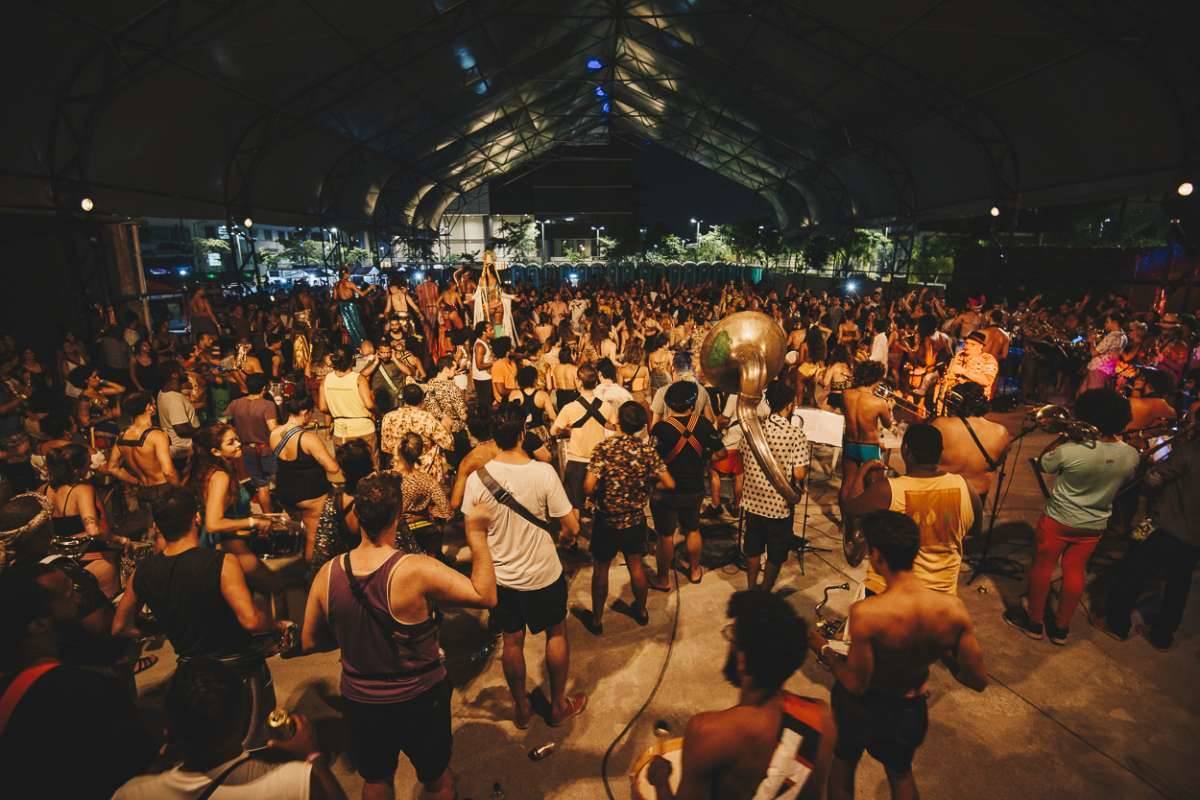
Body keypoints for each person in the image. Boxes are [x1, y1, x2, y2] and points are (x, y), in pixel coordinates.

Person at [302, 471, 497, 800]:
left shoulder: (329, 573)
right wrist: (477, 535)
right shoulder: (415, 569)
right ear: (398, 516)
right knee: (437, 779)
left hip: (361, 700)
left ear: (357, 515)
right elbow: (485, 595)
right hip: (419, 697)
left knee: (376, 780)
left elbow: (309, 641)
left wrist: (353, 635)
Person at [808, 510, 988, 800]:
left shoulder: (868, 613)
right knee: (900, 773)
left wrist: (825, 650)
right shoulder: (952, 609)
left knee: (843, 764)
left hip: (862, 708)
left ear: (877, 556)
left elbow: (856, 683)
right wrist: (937, 648)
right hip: (908, 708)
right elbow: (978, 679)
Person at [113, 486, 285, 747]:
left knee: (207, 746)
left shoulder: (144, 571)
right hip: (237, 670)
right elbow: (250, 620)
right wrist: (276, 624)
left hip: (190, 671)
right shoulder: (221, 563)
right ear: (196, 518)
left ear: (158, 525)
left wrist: (161, 625)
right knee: (252, 742)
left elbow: (120, 627)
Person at [461, 404, 585, 728]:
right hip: (544, 574)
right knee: (556, 633)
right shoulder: (543, 473)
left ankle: (521, 708)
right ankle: (557, 706)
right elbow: (570, 527)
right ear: (521, 435)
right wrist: (572, 522)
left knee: (511, 641)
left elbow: (472, 529)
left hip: (502, 579)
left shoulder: (478, 479)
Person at [647, 590, 834, 800]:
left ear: (743, 659)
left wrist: (661, 782)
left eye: (732, 635)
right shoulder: (821, 717)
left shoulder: (708, 732)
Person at [0, 566, 154, 799]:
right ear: (38, 625)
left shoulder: (12, 688)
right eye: (68, 594)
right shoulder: (86, 690)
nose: (79, 599)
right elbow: (137, 766)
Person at [1004, 389, 1138, 644]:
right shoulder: (1131, 455)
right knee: (1075, 570)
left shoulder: (1070, 450)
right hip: (1095, 524)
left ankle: (1034, 623)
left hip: (1059, 519)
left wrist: (1064, 438)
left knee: (1043, 566)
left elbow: (1044, 464)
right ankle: (1062, 628)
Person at [112, 657, 346, 799]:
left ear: (168, 729)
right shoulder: (295, 783)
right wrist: (313, 756)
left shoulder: (133, 794)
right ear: (245, 722)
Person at [844, 424, 980, 596]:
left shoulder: (888, 490)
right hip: (942, 593)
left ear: (906, 450)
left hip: (891, 592)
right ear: (940, 452)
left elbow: (852, 507)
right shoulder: (964, 486)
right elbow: (975, 530)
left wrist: (863, 470)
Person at [1099, 425, 1199, 651]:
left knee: (1132, 568)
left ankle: (1116, 624)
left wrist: (1149, 466)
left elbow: (1154, 480)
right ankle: (1163, 636)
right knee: (1178, 585)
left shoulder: (1188, 450)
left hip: (1159, 524)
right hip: (1193, 537)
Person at [583, 401, 674, 633]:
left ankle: (596, 619)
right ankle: (642, 611)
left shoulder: (604, 448)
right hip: (634, 520)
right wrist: (648, 488)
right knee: (636, 565)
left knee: (601, 568)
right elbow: (669, 483)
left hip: (607, 520)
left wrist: (599, 493)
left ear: (619, 421)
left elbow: (588, 485)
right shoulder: (646, 451)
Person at [650, 381, 723, 587]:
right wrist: (703, 457)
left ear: (669, 405)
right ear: (692, 405)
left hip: (667, 490)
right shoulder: (704, 424)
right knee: (692, 529)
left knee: (665, 535)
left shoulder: (660, 429)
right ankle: (694, 570)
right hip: (695, 487)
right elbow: (721, 453)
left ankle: (663, 578)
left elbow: (651, 460)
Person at [740, 381, 810, 592]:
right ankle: (764, 592)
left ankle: (751, 588)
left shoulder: (754, 429)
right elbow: (798, 473)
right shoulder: (795, 434)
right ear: (790, 405)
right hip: (778, 505)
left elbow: (743, 454)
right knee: (776, 552)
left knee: (753, 548)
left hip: (753, 501)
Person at [189, 423, 277, 591]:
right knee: (273, 587)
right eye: (231, 442)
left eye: (237, 439)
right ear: (215, 451)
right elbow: (213, 523)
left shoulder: (210, 470)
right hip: (229, 544)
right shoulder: (220, 476)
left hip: (226, 542)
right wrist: (252, 522)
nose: (238, 444)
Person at [271, 393, 343, 563]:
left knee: (302, 529)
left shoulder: (274, 433)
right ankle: (312, 572)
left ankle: (299, 559)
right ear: (305, 412)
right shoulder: (308, 439)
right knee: (313, 534)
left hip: (285, 491)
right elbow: (332, 468)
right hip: (309, 494)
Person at [42, 443, 121, 597]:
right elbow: (93, 530)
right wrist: (121, 540)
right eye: (88, 463)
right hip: (93, 560)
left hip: (60, 563)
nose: (91, 466)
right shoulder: (83, 489)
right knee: (107, 610)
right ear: (77, 469)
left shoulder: (45, 489)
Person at [550, 363, 615, 520]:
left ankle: (575, 536)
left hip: (576, 459)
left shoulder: (569, 408)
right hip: (598, 460)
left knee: (575, 503)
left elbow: (553, 431)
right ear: (596, 382)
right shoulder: (606, 407)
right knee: (599, 501)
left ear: (578, 382)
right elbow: (613, 427)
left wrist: (570, 429)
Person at [929, 381, 1011, 498]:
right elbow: (999, 460)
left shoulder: (940, 425)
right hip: (977, 497)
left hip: (943, 494)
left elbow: (923, 460)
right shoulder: (1001, 432)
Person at [308, 438, 373, 584]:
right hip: (377, 572)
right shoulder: (381, 497)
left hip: (347, 573)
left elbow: (322, 549)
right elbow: (403, 541)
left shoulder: (334, 501)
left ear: (344, 471)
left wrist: (315, 582)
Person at [106, 392, 180, 506]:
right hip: (163, 490)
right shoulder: (157, 435)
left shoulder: (121, 436)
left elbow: (112, 468)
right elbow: (168, 471)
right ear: (148, 407)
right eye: (153, 403)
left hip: (143, 491)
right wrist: (179, 490)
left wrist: (136, 481)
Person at [840, 360, 894, 514]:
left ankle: (846, 520)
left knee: (847, 483)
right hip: (869, 447)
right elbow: (888, 424)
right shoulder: (879, 403)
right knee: (873, 486)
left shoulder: (846, 394)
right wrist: (890, 407)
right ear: (876, 379)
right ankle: (866, 522)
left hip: (850, 443)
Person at [390, 432, 452, 559]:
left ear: (398, 452)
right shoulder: (427, 480)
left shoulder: (387, 478)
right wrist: (434, 515)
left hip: (396, 534)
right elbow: (446, 510)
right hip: (426, 534)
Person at [379, 383, 454, 483]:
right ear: (422, 400)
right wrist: (446, 426)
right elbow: (448, 443)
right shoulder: (427, 418)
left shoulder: (388, 417)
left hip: (399, 471)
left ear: (403, 400)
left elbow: (385, 447)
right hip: (425, 472)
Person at [226, 373, 279, 513]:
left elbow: (223, 422)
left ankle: (268, 517)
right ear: (264, 388)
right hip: (266, 450)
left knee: (261, 486)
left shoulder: (235, 404)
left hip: (247, 450)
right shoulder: (267, 405)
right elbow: (273, 429)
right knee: (277, 481)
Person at [320, 346, 377, 461]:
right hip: (363, 430)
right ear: (352, 360)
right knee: (370, 467)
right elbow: (369, 405)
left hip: (340, 431)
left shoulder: (326, 380)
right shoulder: (359, 379)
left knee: (345, 468)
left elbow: (323, 407)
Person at [650, 351, 715, 427]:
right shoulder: (701, 390)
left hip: (669, 437)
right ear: (691, 368)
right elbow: (710, 420)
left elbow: (655, 425)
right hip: (692, 436)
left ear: (673, 368)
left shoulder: (662, 392)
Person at [157, 364, 201, 474]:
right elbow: (181, 429)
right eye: (182, 369)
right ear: (174, 375)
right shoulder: (174, 399)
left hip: (179, 451)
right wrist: (203, 432)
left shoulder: (163, 393)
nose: (185, 372)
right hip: (184, 452)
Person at [334, 267, 375, 348]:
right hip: (351, 307)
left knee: (347, 328)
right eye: (348, 273)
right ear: (345, 274)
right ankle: (361, 345)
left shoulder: (336, 284)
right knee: (357, 326)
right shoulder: (349, 283)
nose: (349, 274)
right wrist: (370, 288)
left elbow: (335, 297)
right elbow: (362, 294)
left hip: (342, 307)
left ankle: (350, 346)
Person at [471, 320, 495, 406]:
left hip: (487, 377)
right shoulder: (480, 346)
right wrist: (494, 363)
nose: (493, 331)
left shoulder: (487, 342)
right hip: (482, 379)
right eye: (491, 329)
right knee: (486, 403)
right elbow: (479, 365)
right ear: (484, 332)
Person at [490, 336, 518, 406]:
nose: (513, 348)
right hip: (505, 402)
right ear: (507, 351)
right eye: (511, 346)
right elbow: (501, 391)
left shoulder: (512, 362)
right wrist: (518, 391)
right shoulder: (498, 366)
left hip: (515, 398)